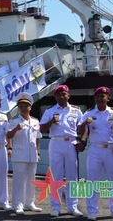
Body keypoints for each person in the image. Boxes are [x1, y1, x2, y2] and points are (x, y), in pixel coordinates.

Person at [78, 87, 113, 220]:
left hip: (111, 149)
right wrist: (84, 123)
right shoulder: (89, 113)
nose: (100, 98)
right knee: (92, 181)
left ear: (108, 98)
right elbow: (80, 130)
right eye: (98, 96)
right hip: (95, 149)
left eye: (103, 96)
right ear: (94, 98)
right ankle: (92, 211)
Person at [39, 85, 84, 217]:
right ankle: (55, 206)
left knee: (72, 176)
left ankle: (73, 206)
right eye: (58, 94)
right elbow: (42, 129)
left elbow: (82, 128)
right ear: (55, 97)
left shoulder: (76, 110)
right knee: (56, 176)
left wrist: (82, 141)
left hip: (71, 143)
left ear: (68, 95)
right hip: (56, 143)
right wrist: (51, 122)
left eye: (63, 94)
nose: (61, 96)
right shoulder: (50, 111)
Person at [6, 93, 42, 215]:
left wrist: (38, 152)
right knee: (19, 181)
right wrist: (16, 128)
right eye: (21, 106)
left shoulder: (35, 121)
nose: (23, 108)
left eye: (26, 106)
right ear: (18, 108)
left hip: (32, 155)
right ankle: (17, 204)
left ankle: (29, 202)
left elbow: (37, 138)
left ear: (30, 107)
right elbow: (8, 136)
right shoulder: (13, 121)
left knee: (31, 180)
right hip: (20, 155)